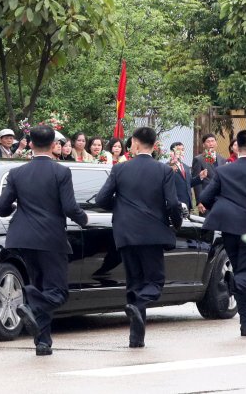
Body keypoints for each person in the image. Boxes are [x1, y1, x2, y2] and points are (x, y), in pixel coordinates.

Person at [0, 125, 87, 356]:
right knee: (57, 292)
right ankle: (29, 305)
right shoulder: (62, 172)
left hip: (22, 238)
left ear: (31, 145)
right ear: (54, 145)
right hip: (51, 238)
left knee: (39, 287)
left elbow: (1, 207)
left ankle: (42, 342)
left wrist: (16, 206)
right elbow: (69, 207)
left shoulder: (17, 173)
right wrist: (84, 219)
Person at [94, 127, 182, 348]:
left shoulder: (120, 169)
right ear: (154, 145)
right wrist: (177, 223)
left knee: (134, 282)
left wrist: (123, 209)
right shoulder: (163, 171)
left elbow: (101, 200)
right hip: (152, 233)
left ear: (134, 142)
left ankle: (136, 339)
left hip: (125, 232)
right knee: (154, 281)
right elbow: (172, 203)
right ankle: (138, 307)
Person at [199, 129, 246, 337]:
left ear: (237, 147)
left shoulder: (224, 170)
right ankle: (233, 282)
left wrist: (225, 205)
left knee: (241, 271)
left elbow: (205, 198)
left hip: (229, 228)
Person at [193, 133, 227, 213]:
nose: (211, 144)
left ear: (216, 143)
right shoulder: (199, 159)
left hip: (220, 199)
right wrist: (199, 201)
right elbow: (197, 182)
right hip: (206, 199)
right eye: (208, 142)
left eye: (213, 141)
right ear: (204, 144)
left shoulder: (222, 159)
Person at [167, 142, 194, 208]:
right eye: (178, 150)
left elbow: (189, 183)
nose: (181, 152)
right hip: (175, 202)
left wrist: (200, 177)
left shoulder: (186, 167)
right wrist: (170, 171)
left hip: (187, 202)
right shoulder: (167, 167)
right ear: (172, 152)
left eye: (183, 150)